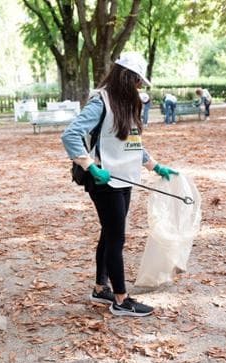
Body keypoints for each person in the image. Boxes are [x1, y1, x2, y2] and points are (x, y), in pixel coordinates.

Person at [61, 51, 179, 317]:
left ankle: (100, 288)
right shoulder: (100, 102)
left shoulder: (127, 102)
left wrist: (154, 165)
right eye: (137, 81)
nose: (139, 86)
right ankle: (120, 299)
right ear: (126, 77)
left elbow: (131, 140)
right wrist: (90, 166)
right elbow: (70, 135)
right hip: (103, 179)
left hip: (123, 178)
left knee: (109, 232)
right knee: (116, 237)